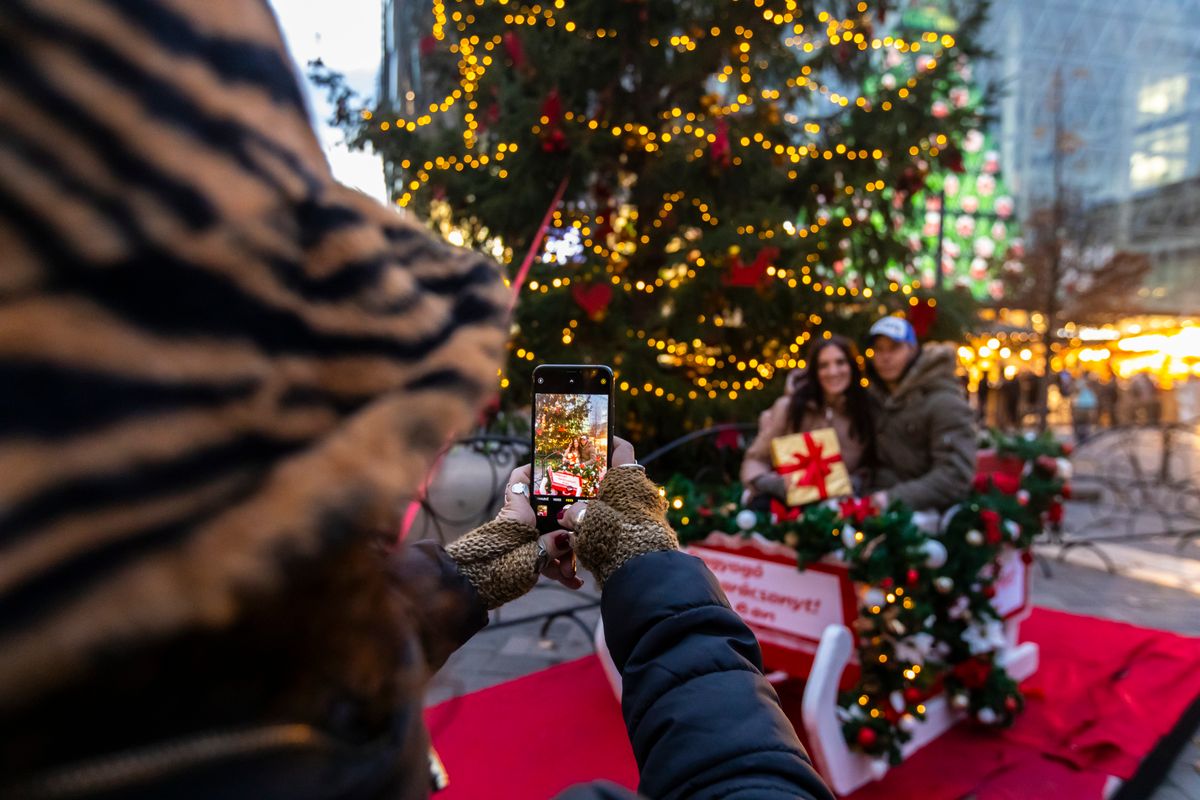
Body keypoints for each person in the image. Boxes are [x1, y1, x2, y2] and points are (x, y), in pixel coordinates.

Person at [0, 4, 834, 799]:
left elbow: (343, 653)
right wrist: (643, 553)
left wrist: (508, 548)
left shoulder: (157, 678)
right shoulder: (255, 671)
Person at [741, 335, 876, 504]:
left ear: (852, 367)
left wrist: (854, 483)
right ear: (814, 371)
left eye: (840, 362)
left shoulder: (864, 411)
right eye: (823, 365)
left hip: (842, 510)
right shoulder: (789, 408)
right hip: (789, 508)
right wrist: (776, 484)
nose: (833, 372)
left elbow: (870, 466)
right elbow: (755, 460)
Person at [865, 317, 977, 511]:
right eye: (879, 349)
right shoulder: (874, 399)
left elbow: (954, 476)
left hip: (924, 518)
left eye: (894, 348)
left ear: (913, 350)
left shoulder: (944, 402)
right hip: (873, 509)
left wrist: (891, 499)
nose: (885, 357)